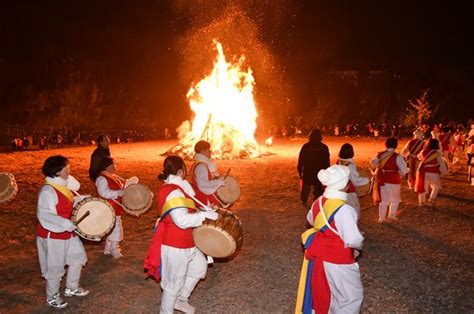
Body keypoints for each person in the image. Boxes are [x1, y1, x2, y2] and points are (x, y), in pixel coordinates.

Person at [144, 156, 218, 314]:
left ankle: (181, 300)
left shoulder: (176, 189)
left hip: (185, 241)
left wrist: (203, 211)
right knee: (173, 284)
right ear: (180, 171)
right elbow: (182, 221)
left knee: (199, 267)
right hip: (175, 244)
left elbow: (185, 211)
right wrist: (203, 217)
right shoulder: (175, 192)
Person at [295, 165, 364, 314]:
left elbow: (312, 221)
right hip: (339, 257)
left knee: (325, 292)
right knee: (350, 296)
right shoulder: (345, 209)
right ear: (345, 185)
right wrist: (357, 249)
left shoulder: (318, 201)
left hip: (320, 256)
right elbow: (353, 238)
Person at [36, 155, 89, 309]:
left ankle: (71, 287)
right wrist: (66, 224)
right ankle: (52, 296)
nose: (69, 170)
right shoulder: (48, 191)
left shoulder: (62, 186)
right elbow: (45, 214)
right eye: (66, 167)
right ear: (57, 171)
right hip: (54, 235)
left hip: (68, 232)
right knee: (55, 268)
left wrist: (84, 201)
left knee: (78, 257)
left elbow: (67, 205)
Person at [371, 137, 408, 223]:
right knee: (395, 199)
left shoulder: (379, 154)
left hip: (382, 179)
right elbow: (403, 169)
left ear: (385, 145)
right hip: (393, 179)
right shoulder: (397, 156)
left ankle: (381, 218)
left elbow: (374, 163)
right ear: (396, 145)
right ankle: (392, 214)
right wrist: (401, 174)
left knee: (383, 200)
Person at [95, 157, 126, 258]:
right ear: (106, 166)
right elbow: (103, 192)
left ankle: (108, 248)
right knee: (115, 228)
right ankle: (114, 249)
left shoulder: (112, 176)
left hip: (115, 206)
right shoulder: (102, 178)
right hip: (108, 207)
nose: (115, 167)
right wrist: (118, 193)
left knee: (112, 228)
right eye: (113, 165)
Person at [297, 129, 330, 209]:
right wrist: (326, 172)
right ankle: (317, 201)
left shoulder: (306, 147)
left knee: (306, 186)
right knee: (318, 187)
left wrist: (300, 171)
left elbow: (301, 160)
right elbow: (326, 161)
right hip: (319, 172)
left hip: (308, 171)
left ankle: (303, 200)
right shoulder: (324, 147)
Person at [336, 143, 370, 220]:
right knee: (354, 211)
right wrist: (367, 180)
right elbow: (355, 180)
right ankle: (353, 230)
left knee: (343, 211)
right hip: (349, 191)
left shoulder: (339, 161)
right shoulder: (349, 165)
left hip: (340, 190)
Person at [190, 140, 225, 207]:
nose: (210, 151)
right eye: (208, 149)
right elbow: (203, 184)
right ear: (202, 151)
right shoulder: (201, 166)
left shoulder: (199, 163)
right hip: (205, 200)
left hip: (203, 197)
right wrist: (218, 182)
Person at [415, 139, 448, 205]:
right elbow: (441, 163)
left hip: (423, 172)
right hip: (433, 172)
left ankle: (421, 202)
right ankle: (432, 199)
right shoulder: (437, 153)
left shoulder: (423, 151)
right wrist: (445, 172)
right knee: (436, 187)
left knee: (423, 187)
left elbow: (419, 157)